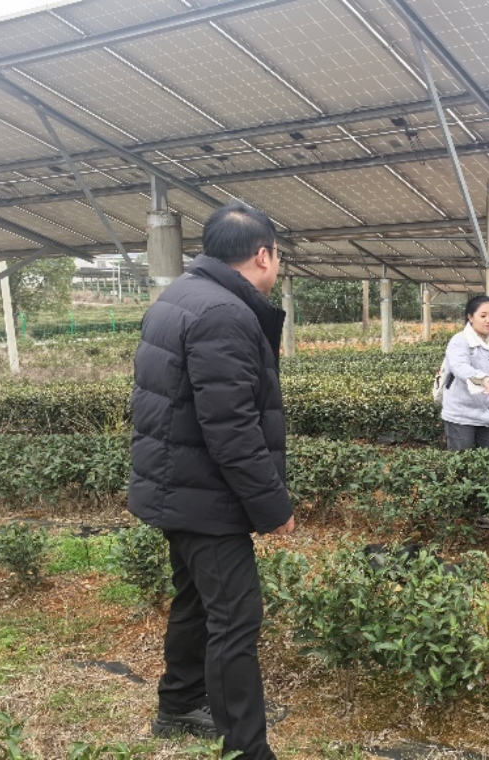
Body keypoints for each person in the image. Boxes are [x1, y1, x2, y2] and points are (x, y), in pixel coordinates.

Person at [128, 202, 294, 760]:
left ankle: (178, 704)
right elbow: (232, 429)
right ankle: (247, 748)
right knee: (235, 620)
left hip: (178, 485)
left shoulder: (179, 296)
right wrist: (273, 505)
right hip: (205, 496)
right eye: (278, 256)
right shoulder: (224, 313)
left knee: (196, 602)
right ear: (263, 255)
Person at [440, 295, 489, 455]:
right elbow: (460, 367)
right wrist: (486, 380)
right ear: (470, 317)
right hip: (461, 415)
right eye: (483, 316)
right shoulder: (459, 341)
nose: (488, 320)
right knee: (461, 462)